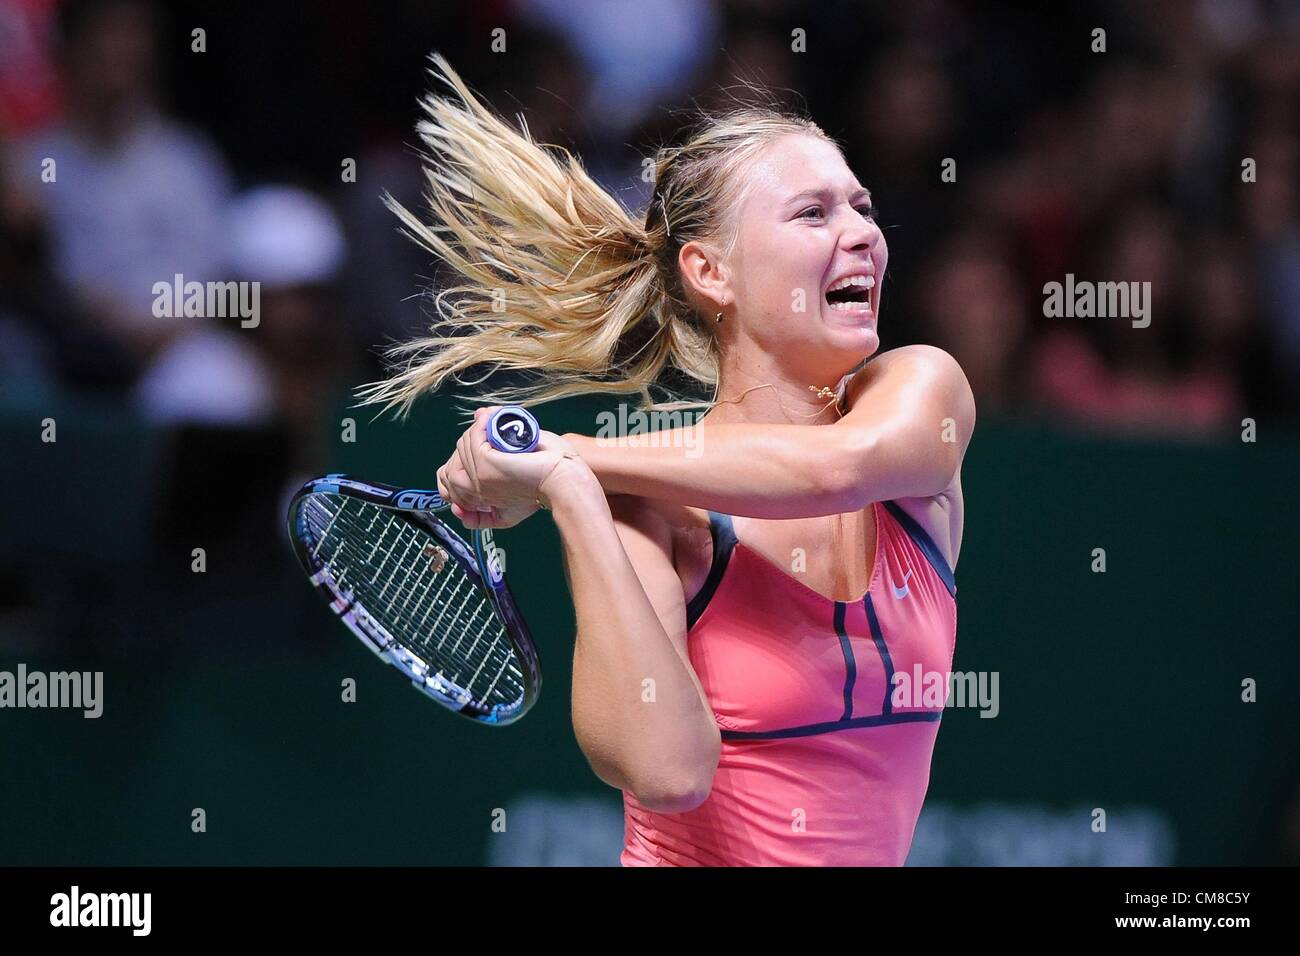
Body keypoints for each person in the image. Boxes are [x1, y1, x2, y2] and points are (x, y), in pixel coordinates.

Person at [361, 55, 976, 866]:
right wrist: (573, 495)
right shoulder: (643, 507)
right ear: (711, 273)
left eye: (861, 207)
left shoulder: (923, 388)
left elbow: (833, 468)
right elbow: (667, 770)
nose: (862, 232)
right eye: (813, 213)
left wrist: (572, 454)